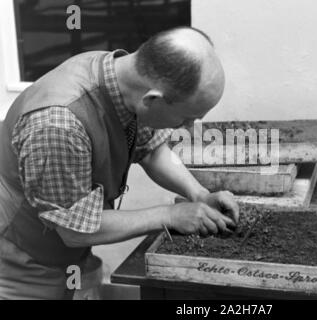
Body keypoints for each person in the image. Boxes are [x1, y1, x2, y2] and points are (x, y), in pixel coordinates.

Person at [0, 26, 239, 299]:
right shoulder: (58, 125)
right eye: (186, 118)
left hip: (70, 258)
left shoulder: (122, 76)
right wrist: (169, 215)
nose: (189, 127)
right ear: (153, 99)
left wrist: (199, 194)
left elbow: (151, 150)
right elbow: (73, 231)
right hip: (19, 267)